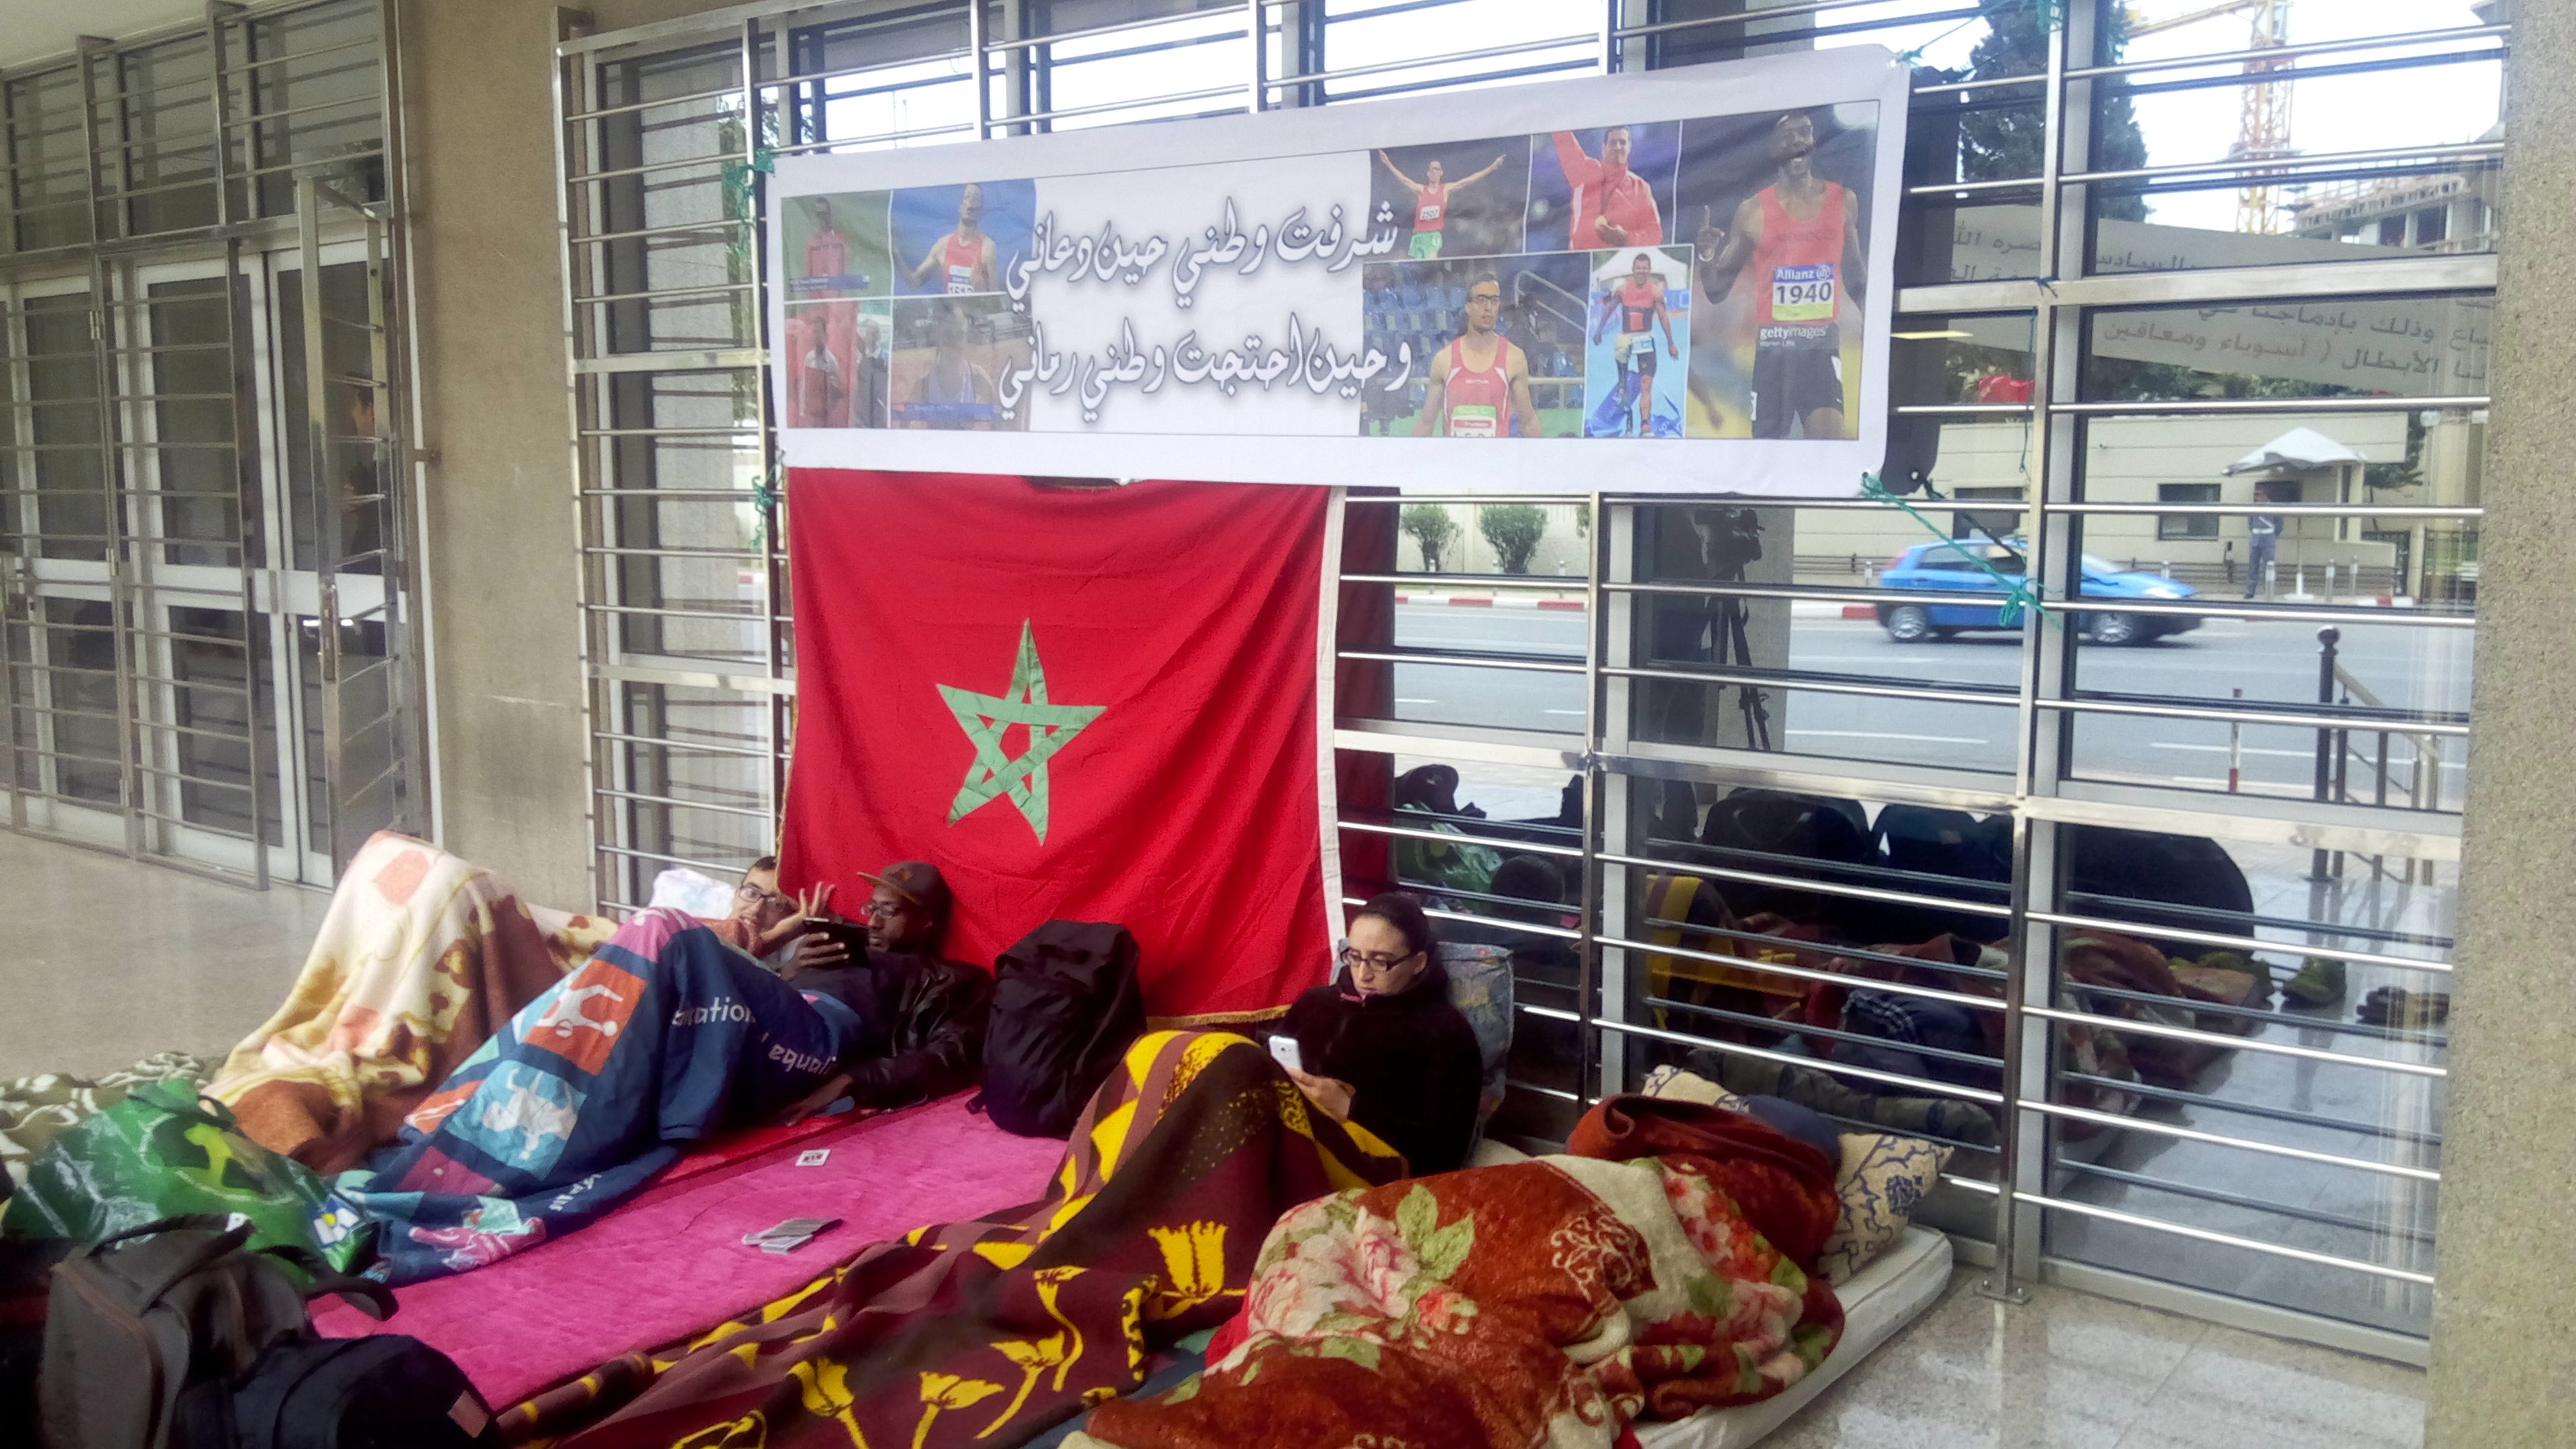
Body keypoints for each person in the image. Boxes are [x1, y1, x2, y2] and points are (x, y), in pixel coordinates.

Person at [1279, 892, 1485, 1175]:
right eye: (1355, 957)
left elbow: (1444, 1153)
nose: (1363, 974)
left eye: (1380, 962)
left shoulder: (1448, 1034)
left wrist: (1351, 1108)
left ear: (1418, 962)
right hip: (1285, 1130)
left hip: (1360, 1163)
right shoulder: (1315, 1002)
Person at [769, 860, 995, 1116]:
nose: (873, 922)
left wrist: (857, 1079)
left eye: (888, 911)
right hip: (776, 1006)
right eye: (872, 908)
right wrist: (789, 971)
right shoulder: (840, 948)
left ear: (925, 921)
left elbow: (953, 1055)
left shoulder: (954, 978)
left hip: (815, 1034)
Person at [1694, 111, 1866, 440]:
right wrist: (1706, 255)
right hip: (1773, 351)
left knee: (1827, 448)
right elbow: (1716, 290)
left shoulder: (1843, 201)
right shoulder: (1752, 211)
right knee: (1768, 455)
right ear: (1774, 148)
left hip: (1820, 348)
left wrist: (1875, 328)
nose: (1798, 140)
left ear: (1814, 141)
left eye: (1805, 132)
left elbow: (1856, 276)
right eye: (1788, 136)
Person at [1413, 273, 1541, 438]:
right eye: (1481, 300)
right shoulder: (1444, 359)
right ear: (1468, 307)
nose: (1488, 307)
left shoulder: (1514, 358)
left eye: (1494, 300)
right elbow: (1426, 422)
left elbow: (1528, 422)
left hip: (1496, 454)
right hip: (1456, 454)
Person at [1591, 251, 1678, 438]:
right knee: (1623, 384)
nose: (1641, 271)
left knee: (1646, 384)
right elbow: (1610, 309)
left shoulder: (1655, 293)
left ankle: (1645, 426)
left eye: (1645, 268)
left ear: (1649, 270)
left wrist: (1671, 343)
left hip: (1645, 339)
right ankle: (1625, 421)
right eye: (1638, 268)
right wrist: (1599, 331)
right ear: (1633, 269)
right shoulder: (1622, 290)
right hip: (1625, 338)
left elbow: (1663, 317)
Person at [1376, 150, 1509, 260]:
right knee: (1416, 266)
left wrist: (1491, 168)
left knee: (1430, 262)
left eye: (1438, 169)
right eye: (1433, 169)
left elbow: (1468, 181)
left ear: (1441, 172)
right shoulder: (1421, 190)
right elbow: (1404, 180)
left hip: (1433, 235)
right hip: (1418, 236)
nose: (1435, 172)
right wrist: (1388, 163)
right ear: (1428, 173)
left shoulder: (1445, 189)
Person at [1552, 125, 1663, 250]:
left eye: (1622, 142)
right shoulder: (1586, 172)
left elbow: (1654, 235)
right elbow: (1564, 140)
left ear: (1629, 147)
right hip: (1582, 258)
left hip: (1620, 260)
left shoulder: (1640, 187)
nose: (1618, 147)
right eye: (1613, 143)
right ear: (1604, 148)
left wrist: (1626, 238)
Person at [902, 301, 996, 429]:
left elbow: (1001, 415)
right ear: (938, 338)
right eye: (947, 335)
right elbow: (904, 420)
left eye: (960, 336)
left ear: (966, 339)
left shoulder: (977, 378)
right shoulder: (925, 385)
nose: (954, 343)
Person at [903, 181, 996, 295]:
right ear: (960, 206)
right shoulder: (943, 245)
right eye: (967, 197)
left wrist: (981, 291)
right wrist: (895, 257)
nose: (971, 202)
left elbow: (995, 298)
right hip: (951, 307)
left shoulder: (987, 247)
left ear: (980, 210)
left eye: (976, 198)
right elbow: (915, 282)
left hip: (978, 307)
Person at [795, 311, 845, 427]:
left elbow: (837, 392)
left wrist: (829, 412)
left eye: (818, 332)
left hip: (824, 418)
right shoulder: (809, 358)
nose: (815, 336)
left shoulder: (831, 361)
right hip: (809, 415)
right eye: (813, 332)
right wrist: (802, 411)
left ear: (824, 334)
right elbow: (804, 387)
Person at [803, 197, 852, 295]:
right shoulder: (812, 243)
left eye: (825, 214)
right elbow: (808, 273)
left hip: (837, 297)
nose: (822, 219)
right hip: (817, 298)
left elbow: (846, 270)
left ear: (830, 215)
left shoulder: (840, 240)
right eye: (818, 215)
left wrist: (840, 295)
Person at [852, 315, 889, 428]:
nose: (870, 337)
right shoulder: (862, 357)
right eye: (868, 334)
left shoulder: (885, 359)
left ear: (878, 337)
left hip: (879, 411)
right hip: (862, 411)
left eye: (873, 334)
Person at [2245, 498, 2280, 598]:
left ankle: (2269, 590)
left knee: (2269, 566)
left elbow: (2279, 524)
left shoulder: (2274, 509)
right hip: (2255, 539)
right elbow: (2250, 524)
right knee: (2253, 566)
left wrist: (2273, 536)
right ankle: (2251, 591)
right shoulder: (2254, 509)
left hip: (2268, 539)